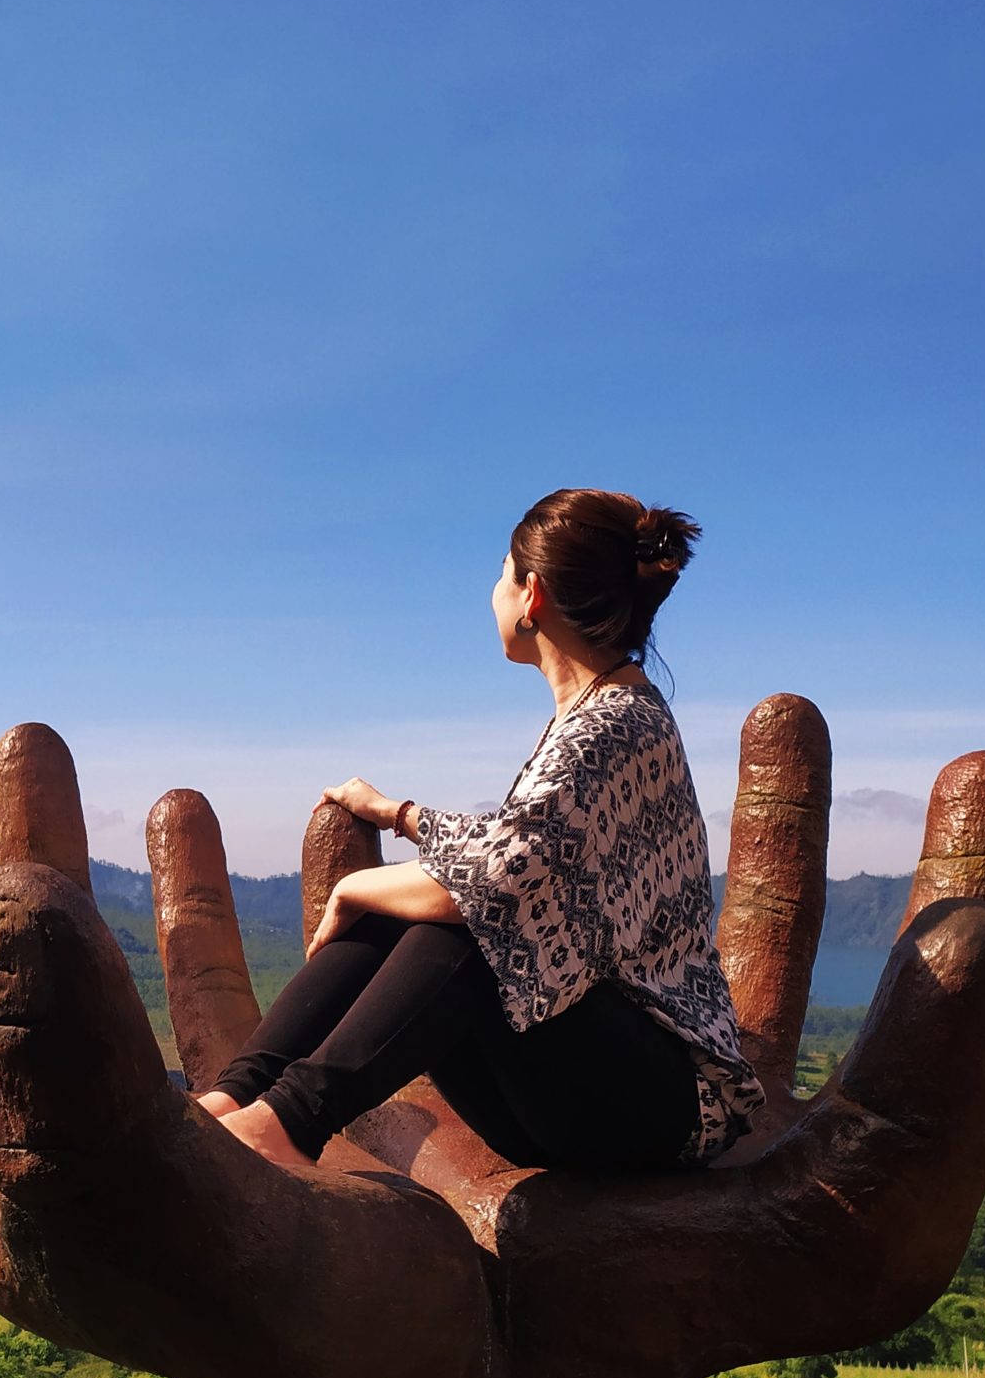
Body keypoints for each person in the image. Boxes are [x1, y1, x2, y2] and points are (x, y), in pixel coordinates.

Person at [198, 488, 763, 1173]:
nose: (492, 591)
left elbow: (499, 880)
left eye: (502, 573)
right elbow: (519, 845)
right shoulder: (605, 715)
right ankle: (235, 1098)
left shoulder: (613, 727)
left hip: (666, 1106)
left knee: (469, 919)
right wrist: (404, 815)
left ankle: (286, 1122)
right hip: (573, 1096)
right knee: (420, 907)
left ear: (533, 595)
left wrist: (352, 885)